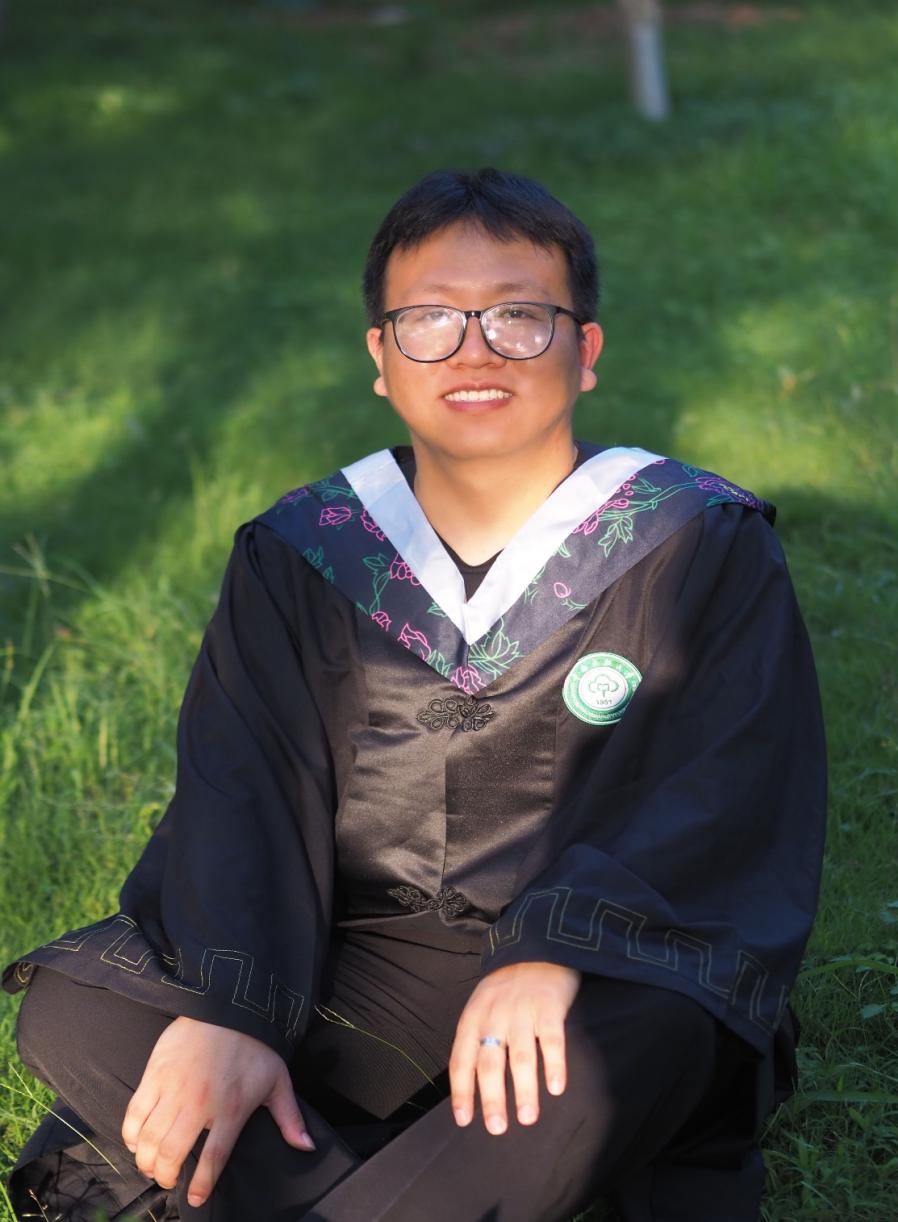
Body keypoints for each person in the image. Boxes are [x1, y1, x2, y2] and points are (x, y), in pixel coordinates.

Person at [4, 168, 827, 1222]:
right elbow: (243, 786)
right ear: (381, 358)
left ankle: (333, 1176)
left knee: (635, 1040)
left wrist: (558, 944)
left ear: (584, 350)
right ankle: (450, 1182)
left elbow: (727, 786)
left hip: (598, 967)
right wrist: (237, 1007)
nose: (475, 351)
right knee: (79, 1011)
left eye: (519, 317)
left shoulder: (696, 541)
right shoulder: (302, 551)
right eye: (430, 320)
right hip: (352, 961)